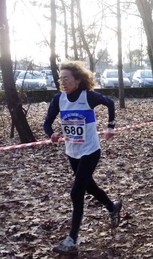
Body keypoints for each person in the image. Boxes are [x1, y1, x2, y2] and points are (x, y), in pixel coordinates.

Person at [43, 61, 122, 256]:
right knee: (89, 186)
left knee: (76, 192)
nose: (63, 82)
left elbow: (110, 103)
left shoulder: (88, 97)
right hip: (72, 152)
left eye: (66, 79)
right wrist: (51, 134)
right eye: (60, 79)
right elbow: (47, 124)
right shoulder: (58, 99)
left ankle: (72, 240)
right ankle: (112, 207)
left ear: (77, 80)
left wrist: (111, 126)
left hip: (90, 151)